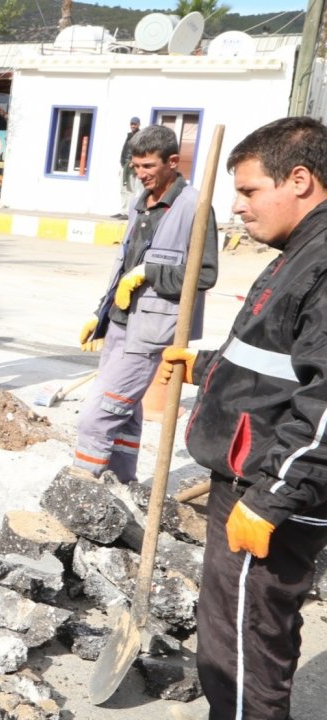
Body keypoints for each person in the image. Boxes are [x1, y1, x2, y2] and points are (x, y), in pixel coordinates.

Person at [158, 116, 327, 720]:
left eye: (250, 190)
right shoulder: (299, 249)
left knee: (242, 646)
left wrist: (275, 497)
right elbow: (281, 359)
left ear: (300, 179)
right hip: (258, 478)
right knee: (248, 632)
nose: (239, 207)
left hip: (271, 489)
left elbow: (326, 401)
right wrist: (206, 366)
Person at [73, 124, 218, 483]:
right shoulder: (140, 205)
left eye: (148, 167)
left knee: (98, 413)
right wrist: (100, 313)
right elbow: (122, 266)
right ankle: (123, 483)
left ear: (173, 161)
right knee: (126, 412)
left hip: (151, 331)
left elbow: (204, 274)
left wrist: (149, 273)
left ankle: (79, 485)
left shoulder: (194, 207)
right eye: (135, 167)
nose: (140, 175)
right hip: (119, 323)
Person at [114, 116, 141, 218]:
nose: (133, 126)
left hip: (131, 166)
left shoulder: (139, 136)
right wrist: (121, 165)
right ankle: (123, 211)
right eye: (131, 124)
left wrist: (133, 162)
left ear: (138, 125)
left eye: (135, 124)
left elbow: (140, 150)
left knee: (130, 189)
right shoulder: (129, 135)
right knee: (123, 189)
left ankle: (129, 213)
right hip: (123, 165)